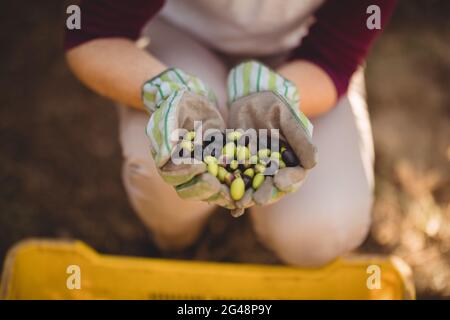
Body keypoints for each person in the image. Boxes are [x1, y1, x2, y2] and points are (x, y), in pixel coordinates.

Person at [65, 0, 396, 266]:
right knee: (167, 167)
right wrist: (168, 92)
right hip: (176, 31)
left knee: (325, 228)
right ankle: (177, 243)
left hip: (302, 54)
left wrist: (277, 95)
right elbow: (92, 32)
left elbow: (333, 59)